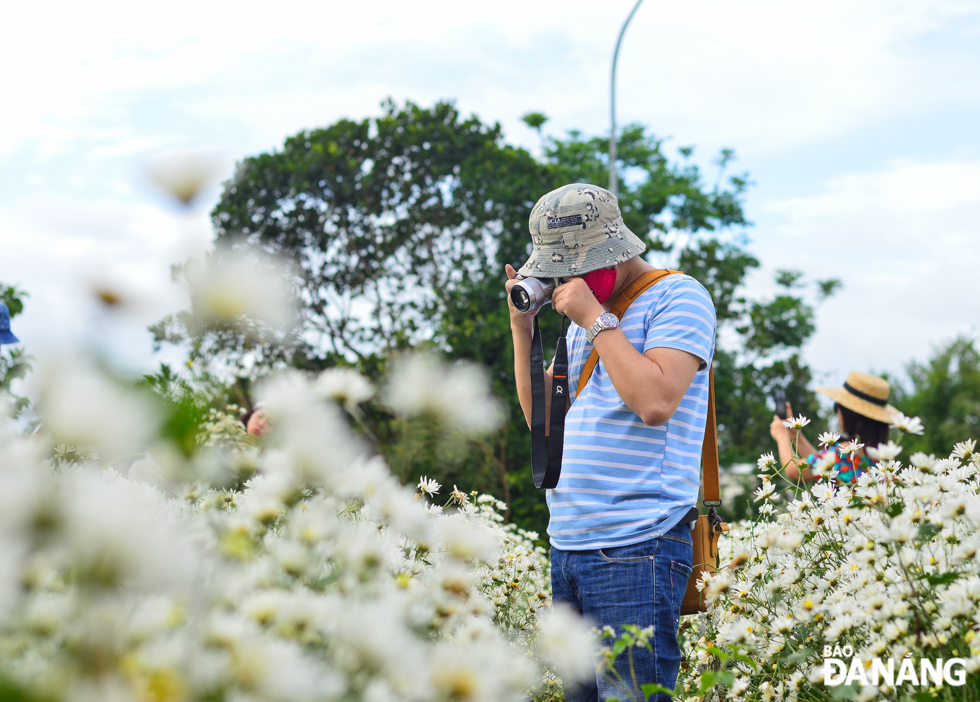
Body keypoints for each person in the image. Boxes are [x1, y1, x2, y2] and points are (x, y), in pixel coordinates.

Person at [505, 183, 716, 702]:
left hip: (636, 542)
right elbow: (543, 426)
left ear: (612, 251)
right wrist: (522, 330)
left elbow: (657, 401)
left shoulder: (677, 295)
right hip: (569, 543)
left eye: (573, 266)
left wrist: (595, 320)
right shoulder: (588, 319)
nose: (566, 280)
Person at [769, 371, 897, 484]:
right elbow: (821, 464)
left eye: (837, 406)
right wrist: (795, 435)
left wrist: (782, 436)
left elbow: (794, 471)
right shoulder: (880, 460)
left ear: (848, 414)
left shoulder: (845, 453)